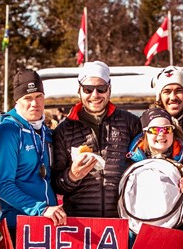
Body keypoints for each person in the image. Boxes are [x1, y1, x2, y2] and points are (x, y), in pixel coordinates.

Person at [51, 61, 140, 218]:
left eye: (101, 88)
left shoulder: (130, 123)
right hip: (80, 222)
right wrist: (72, 176)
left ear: (109, 89)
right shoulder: (64, 130)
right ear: (79, 90)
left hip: (122, 219)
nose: (95, 95)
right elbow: (55, 184)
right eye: (88, 89)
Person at [0, 69, 64, 240]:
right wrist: (40, 209)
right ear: (17, 100)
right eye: (28, 98)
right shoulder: (9, 131)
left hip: (48, 223)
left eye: (39, 96)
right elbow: (3, 186)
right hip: (19, 225)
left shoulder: (45, 131)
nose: (35, 103)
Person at [151, 66, 183, 139]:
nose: (173, 97)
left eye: (178, 91)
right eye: (167, 92)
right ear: (159, 97)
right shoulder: (149, 126)